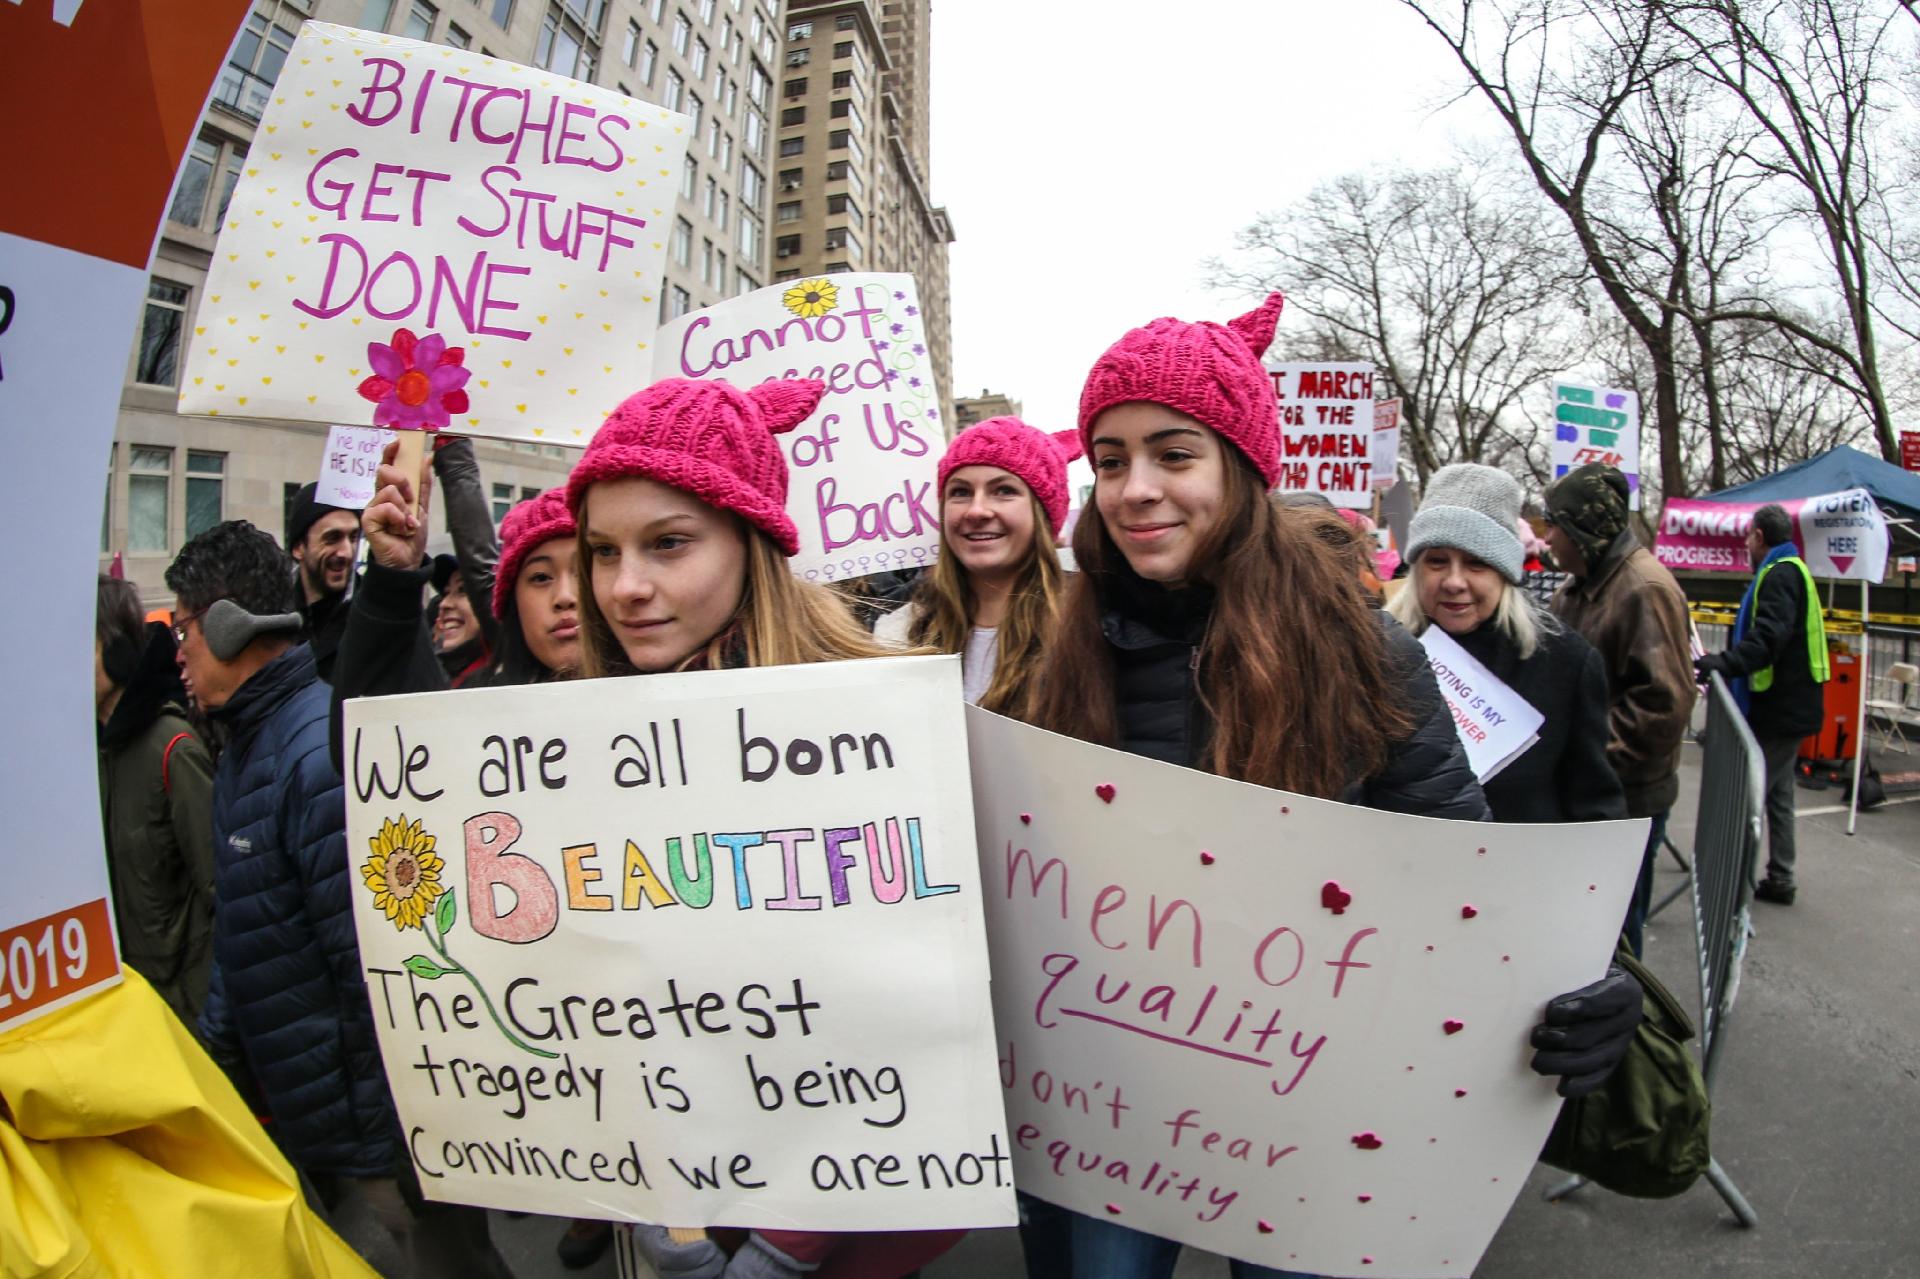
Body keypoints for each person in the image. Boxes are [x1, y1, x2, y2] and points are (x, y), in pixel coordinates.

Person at [1022, 295, 1643, 1279]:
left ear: (1242, 467)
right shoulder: (1066, 653)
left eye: (1173, 453)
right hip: (1117, 1103)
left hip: (1305, 1106)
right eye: (1109, 459)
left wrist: (1590, 986)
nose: (1134, 488)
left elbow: (1464, 876)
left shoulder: (1366, 653)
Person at [563, 377, 959, 1279]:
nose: (625, 587)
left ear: (751, 544)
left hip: (850, 1216)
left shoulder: (870, 732)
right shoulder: (576, 742)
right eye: (602, 550)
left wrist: (789, 1241)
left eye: (669, 544)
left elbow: (901, 1016)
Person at [342, 456, 591, 1269]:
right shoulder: (477, 719)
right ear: (508, 602)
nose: (562, 595)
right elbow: (383, 728)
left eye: (580, 569)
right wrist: (392, 578)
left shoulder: (690, 702)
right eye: (538, 576)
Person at [165, 520, 409, 1272]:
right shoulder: (247, 741)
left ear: (234, 627)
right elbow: (248, 929)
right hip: (315, 1115)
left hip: (365, 1139)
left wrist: (374, 1142)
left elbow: (370, 977)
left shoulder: (316, 756)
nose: (177, 653)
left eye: (186, 631)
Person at [1387, 464, 1626, 824]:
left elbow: (1594, 806)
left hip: (1520, 871)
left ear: (1504, 572)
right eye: (1437, 561)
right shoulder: (1379, 652)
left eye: (1476, 563)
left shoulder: (1566, 663)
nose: (1454, 581)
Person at [1544, 463, 1696, 951]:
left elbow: (1663, 705)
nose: (1547, 537)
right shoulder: (1575, 587)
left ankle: (1630, 1025)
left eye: (1555, 524)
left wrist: (1584, 757)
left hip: (1627, 801)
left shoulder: (1644, 590)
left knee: (1615, 938)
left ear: (1583, 529)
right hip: (1584, 797)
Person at [875, 415, 1078, 713]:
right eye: (960, 492)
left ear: (1043, 515)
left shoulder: (1090, 623)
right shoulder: (897, 634)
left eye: (1004, 491)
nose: (977, 510)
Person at [1693, 502, 1829, 905]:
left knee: (1749, 801)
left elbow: (1768, 638)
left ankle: (1733, 892)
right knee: (1778, 794)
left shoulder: (1780, 574)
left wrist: (1725, 662)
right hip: (1788, 707)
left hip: (1779, 709)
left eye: (1747, 538)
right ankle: (1781, 877)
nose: (1745, 545)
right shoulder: (1789, 569)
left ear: (1758, 536)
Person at [95, 574, 216, 1024]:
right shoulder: (93, 752)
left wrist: (202, 1010)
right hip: (129, 1012)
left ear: (117, 649)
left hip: (183, 1014)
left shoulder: (174, 749)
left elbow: (218, 891)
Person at [284, 482, 359, 683]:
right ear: (299, 548)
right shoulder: (274, 617)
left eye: (353, 537)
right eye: (332, 538)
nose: (346, 552)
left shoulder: (374, 613)